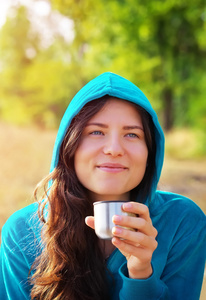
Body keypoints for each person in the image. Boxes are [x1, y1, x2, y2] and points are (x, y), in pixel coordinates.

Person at [0, 72, 205, 300]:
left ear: (151, 152)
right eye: (96, 132)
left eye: (132, 134)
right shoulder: (21, 231)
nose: (114, 149)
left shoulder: (182, 221)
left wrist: (141, 275)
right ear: (69, 146)